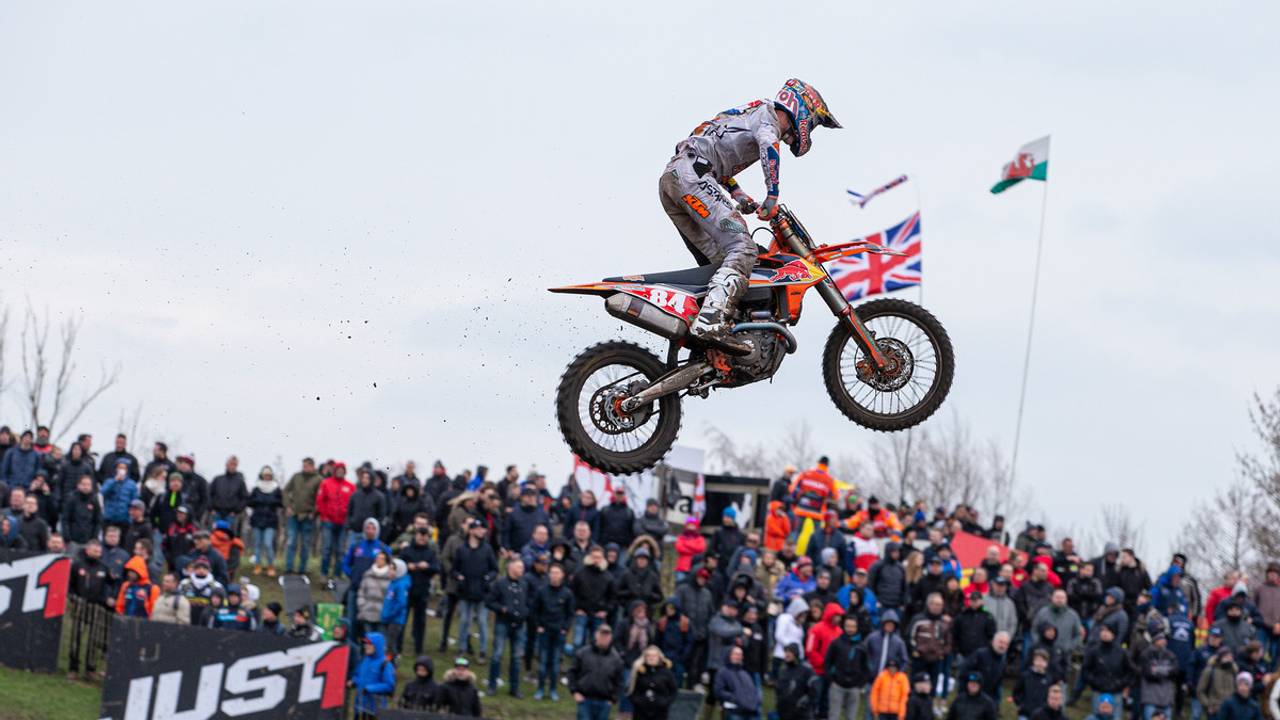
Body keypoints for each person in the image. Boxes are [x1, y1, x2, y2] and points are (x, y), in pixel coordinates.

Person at [661, 80, 839, 352]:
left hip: (676, 179)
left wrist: (738, 194)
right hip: (691, 178)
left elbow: (711, 150)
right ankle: (711, 321)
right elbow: (769, 145)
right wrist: (772, 196)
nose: (809, 130)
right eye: (812, 123)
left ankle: (708, 335)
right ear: (802, 109)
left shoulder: (748, 114)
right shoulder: (768, 120)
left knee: (723, 260)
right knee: (743, 248)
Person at [486, 556, 532, 697]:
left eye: (522, 568)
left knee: (516, 658)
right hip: (503, 623)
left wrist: (526, 612)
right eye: (519, 567)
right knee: (497, 655)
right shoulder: (500, 584)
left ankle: (514, 688)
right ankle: (492, 685)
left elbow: (529, 601)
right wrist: (502, 609)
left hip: (519, 624)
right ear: (511, 568)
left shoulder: (524, 584)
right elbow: (489, 601)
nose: (522, 570)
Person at [453, 518, 497, 656]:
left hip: (482, 592)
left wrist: (487, 578)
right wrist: (458, 577)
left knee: (482, 622)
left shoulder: (487, 549)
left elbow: (494, 569)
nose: (481, 531)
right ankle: (462, 647)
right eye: (478, 529)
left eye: (483, 529)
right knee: (464, 621)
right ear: (471, 531)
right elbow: (454, 569)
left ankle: (483, 650)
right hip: (465, 590)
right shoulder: (462, 549)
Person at [397, 515, 439, 655]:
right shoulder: (407, 550)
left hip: (422, 591)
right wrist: (408, 566)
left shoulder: (430, 552)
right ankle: (398, 647)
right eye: (420, 535)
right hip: (407, 590)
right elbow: (398, 566)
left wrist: (426, 566)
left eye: (425, 535)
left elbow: (437, 568)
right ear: (415, 535)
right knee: (402, 620)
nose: (422, 537)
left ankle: (418, 649)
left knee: (420, 622)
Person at [571, 624, 625, 720]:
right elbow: (572, 673)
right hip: (584, 699)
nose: (604, 638)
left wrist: (613, 699)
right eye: (602, 635)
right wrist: (574, 691)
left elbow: (620, 681)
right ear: (596, 635)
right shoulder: (582, 653)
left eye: (607, 635)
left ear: (611, 637)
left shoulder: (616, 659)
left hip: (605, 702)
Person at [282, 457, 323, 575]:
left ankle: (302, 569)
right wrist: (288, 506)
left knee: (305, 544)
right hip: (294, 515)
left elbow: (320, 498)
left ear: (312, 466)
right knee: (291, 542)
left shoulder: (318, 479)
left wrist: (314, 512)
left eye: (306, 466)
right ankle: (288, 568)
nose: (304, 468)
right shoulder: (296, 477)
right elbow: (285, 491)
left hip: (308, 517)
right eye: (303, 465)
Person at [825, 614, 870, 720]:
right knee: (833, 716)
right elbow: (828, 662)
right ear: (844, 626)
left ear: (856, 627)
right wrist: (831, 680)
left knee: (851, 717)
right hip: (837, 686)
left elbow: (866, 668)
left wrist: (860, 684)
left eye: (852, 626)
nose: (850, 629)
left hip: (854, 688)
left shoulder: (862, 646)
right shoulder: (836, 643)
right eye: (848, 626)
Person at [315, 462, 354, 578]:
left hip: (343, 523)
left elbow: (353, 504)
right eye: (338, 470)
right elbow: (320, 500)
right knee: (327, 548)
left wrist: (348, 517)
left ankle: (337, 575)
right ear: (334, 471)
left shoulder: (350, 486)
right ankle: (324, 573)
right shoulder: (326, 483)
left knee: (340, 550)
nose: (340, 472)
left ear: (345, 471)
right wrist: (324, 515)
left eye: (342, 470)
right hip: (328, 521)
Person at [350, 632, 396, 720]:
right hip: (359, 708)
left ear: (377, 645)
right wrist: (354, 681)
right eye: (365, 643)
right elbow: (358, 675)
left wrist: (370, 688)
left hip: (374, 711)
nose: (366, 646)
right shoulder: (365, 660)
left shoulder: (385, 664)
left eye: (369, 643)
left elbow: (389, 686)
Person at [246, 466, 282, 575]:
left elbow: (280, 503)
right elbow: (250, 502)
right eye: (265, 475)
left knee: (268, 543)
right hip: (257, 519)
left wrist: (266, 501)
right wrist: (260, 500)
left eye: (268, 475)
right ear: (262, 475)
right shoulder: (256, 488)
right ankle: (257, 565)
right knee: (257, 544)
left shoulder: (276, 488)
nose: (267, 477)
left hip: (270, 521)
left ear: (271, 476)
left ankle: (271, 566)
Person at [629, 645, 677, 720]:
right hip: (641, 710)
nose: (651, 658)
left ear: (659, 658)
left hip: (660, 711)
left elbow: (673, 690)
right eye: (648, 655)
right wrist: (637, 701)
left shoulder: (666, 672)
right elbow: (631, 688)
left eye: (654, 656)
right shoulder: (639, 671)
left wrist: (666, 702)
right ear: (644, 657)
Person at [715, 645, 762, 720]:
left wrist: (756, 701)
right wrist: (734, 699)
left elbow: (753, 690)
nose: (738, 656)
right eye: (736, 654)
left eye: (740, 654)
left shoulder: (745, 673)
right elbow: (718, 691)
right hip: (734, 711)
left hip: (751, 711)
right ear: (729, 655)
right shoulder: (723, 672)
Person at [356, 550, 394, 635]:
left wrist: (387, 611)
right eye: (378, 558)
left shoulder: (390, 577)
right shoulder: (368, 574)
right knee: (368, 639)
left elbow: (391, 596)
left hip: (382, 613)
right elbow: (361, 591)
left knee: (380, 639)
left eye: (382, 559)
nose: (379, 560)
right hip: (367, 611)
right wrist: (362, 606)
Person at [1197, 646, 1239, 720]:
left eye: (1231, 656)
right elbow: (1200, 691)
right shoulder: (1210, 671)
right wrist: (1208, 705)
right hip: (1215, 711)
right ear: (1220, 657)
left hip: (1231, 712)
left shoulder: (1234, 672)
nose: (1229, 658)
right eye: (1226, 656)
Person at [381, 558, 411, 655]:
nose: (390, 571)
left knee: (389, 645)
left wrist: (391, 614)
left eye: (393, 569)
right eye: (390, 568)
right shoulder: (393, 583)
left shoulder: (400, 585)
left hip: (394, 620)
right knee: (388, 644)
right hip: (388, 619)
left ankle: (391, 664)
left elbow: (401, 603)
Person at [209, 455, 248, 528]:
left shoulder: (240, 482)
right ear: (226, 464)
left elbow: (244, 498)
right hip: (216, 513)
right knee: (214, 535)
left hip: (231, 515)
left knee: (228, 536)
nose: (232, 466)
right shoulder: (217, 479)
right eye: (231, 464)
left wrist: (236, 511)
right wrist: (211, 508)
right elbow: (209, 494)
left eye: (235, 464)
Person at [1013, 649, 1053, 720]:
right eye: (1038, 660)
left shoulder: (1049, 679)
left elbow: (1049, 697)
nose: (1040, 663)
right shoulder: (1025, 676)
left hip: (1040, 716)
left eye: (1043, 661)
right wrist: (1020, 704)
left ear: (1046, 663)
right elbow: (1016, 691)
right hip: (1024, 713)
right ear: (1033, 661)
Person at [674, 517, 705, 584]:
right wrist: (693, 550)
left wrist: (687, 543)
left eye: (693, 525)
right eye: (689, 525)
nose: (691, 527)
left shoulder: (700, 538)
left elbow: (701, 548)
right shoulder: (681, 537)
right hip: (681, 567)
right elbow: (679, 548)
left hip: (694, 569)